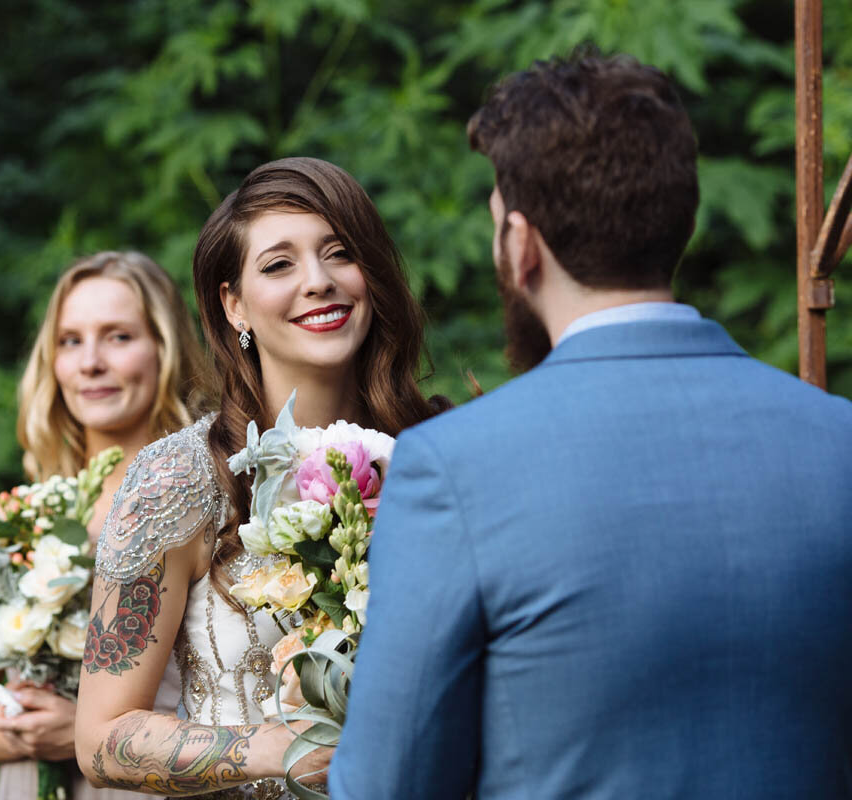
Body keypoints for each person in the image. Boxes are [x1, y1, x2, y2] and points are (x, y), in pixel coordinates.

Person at [330, 52, 852, 799]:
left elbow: (388, 785)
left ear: (520, 245)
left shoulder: (456, 467)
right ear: (683, 220)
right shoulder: (840, 440)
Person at [75, 157, 444, 797]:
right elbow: (101, 736)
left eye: (339, 254)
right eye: (279, 265)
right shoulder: (178, 479)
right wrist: (268, 750)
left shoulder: (441, 458)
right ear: (234, 304)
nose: (318, 281)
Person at [0, 251, 209, 799]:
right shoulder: (24, 520)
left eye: (118, 337)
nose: (90, 363)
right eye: (70, 341)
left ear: (166, 348)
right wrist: (29, 728)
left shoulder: (204, 502)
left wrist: (92, 733)